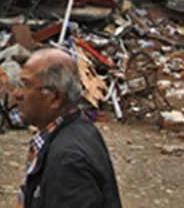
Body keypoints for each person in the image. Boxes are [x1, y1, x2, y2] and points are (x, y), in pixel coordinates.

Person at [13, 48, 122, 208]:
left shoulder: (67, 162)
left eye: (26, 85)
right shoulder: (78, 128)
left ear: (56, 98)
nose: (17, 94)